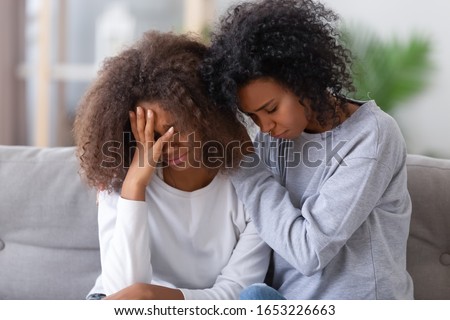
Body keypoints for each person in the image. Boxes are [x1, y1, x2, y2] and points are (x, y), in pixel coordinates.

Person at [201, 0, 414, 299]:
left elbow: (309, 252)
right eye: (252, 117)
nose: (264, 127)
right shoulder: (274, 138)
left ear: (303, 81)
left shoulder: (372, 136)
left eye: (271, 109)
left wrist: (244, 164)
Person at [73, 31, 270, 300]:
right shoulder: (121, 179)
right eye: (152, 136)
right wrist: (134, 186)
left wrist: (152, 295)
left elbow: (238, 292)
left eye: (176, 129)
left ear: (206, 116)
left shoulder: (251, 186)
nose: (167, 146)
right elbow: (123, 297)